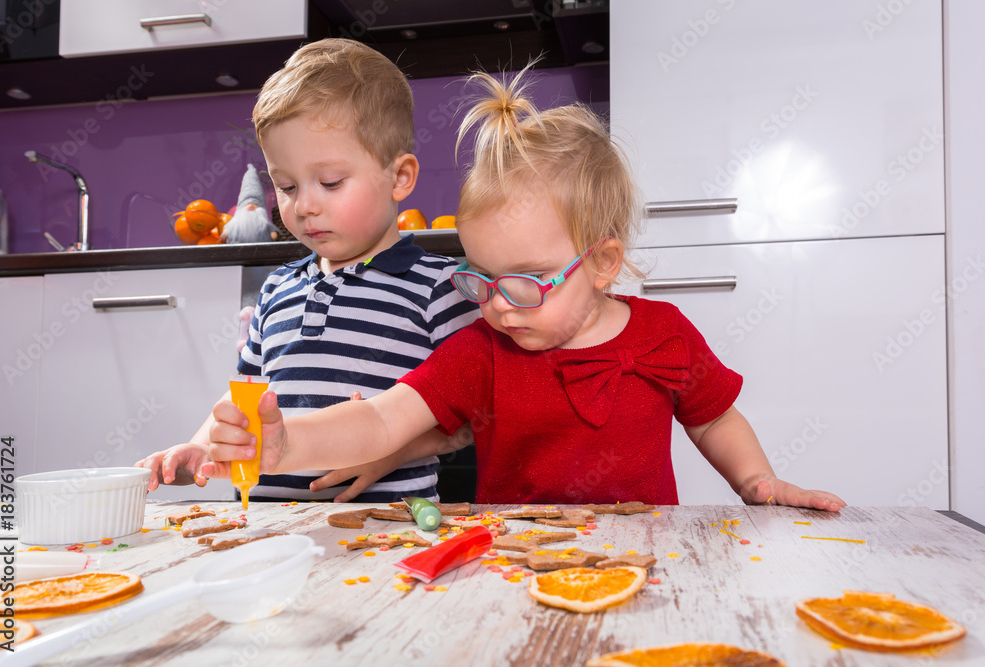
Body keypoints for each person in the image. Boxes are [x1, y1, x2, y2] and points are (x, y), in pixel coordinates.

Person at [202, 64, 846, 511]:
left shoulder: (664, 335)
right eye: (482, 280)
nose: (501, 305)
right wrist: (289, 443)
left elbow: (713, 419)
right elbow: (381, 416)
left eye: (531, 281)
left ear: (602, 263)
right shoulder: (483, 350)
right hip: (515, 559)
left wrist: (757, 480)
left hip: (648, 556)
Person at [135, 38, 479, 503]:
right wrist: (200, 446)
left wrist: (391, 450)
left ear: (400, 177)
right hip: (271, 531)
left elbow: (475, 418)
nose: (305, 205)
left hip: (384, 533)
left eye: (331, 182)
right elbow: (246, 401)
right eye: (287, 186)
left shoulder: (438, 289)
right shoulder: (278, 288)